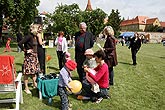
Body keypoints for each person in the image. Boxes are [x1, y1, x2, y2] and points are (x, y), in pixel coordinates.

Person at [18, 26, 40, 94]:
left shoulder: (35, 36)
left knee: (33, 72)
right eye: (38, 29)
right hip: (29, 57)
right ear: (34, 29)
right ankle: (26, 88)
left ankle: (34, 84)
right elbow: (20, 43)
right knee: (27, 73)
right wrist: (25, 50)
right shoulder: (29, 36)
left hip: (34, 57)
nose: (39, 30)